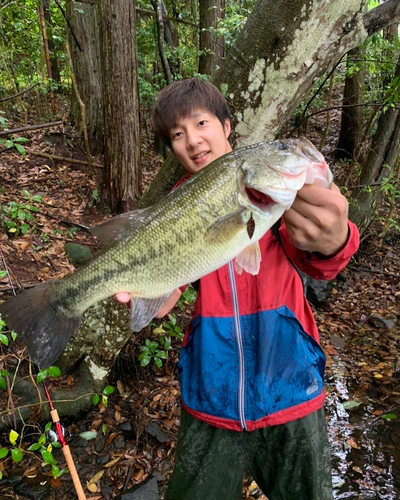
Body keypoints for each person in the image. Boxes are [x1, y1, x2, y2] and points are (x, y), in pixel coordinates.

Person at [116, 78, 360, 500]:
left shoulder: (273, 188)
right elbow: (168, 293)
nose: (192, 140)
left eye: (201, 123)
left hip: (291, 387)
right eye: (178, 134)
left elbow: (323, 258)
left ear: (226, 126)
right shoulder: (175, 204)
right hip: (211, 394)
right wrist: (148, 294)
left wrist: (336, 239)